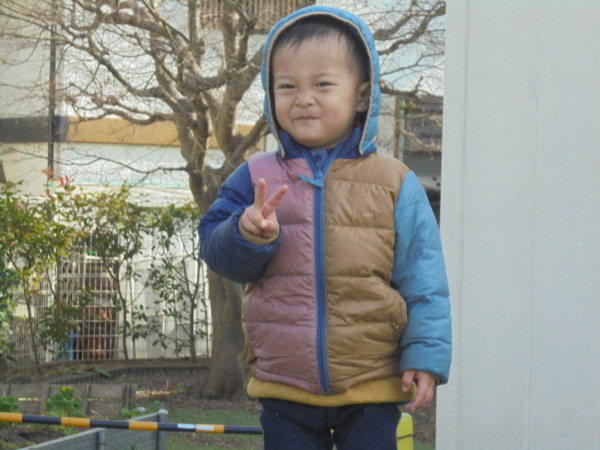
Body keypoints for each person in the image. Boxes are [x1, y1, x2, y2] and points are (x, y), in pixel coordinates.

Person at [198, 5, 451, 449]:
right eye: (287, 86)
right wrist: (246, 234)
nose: (303, 98)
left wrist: (426, 355)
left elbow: (424, 278)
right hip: (285, 386)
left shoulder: (394, 181)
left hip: (371, 383)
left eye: (322, 84)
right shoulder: (255, 176)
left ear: (361, 96)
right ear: (270, 94)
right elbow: (216, 251)